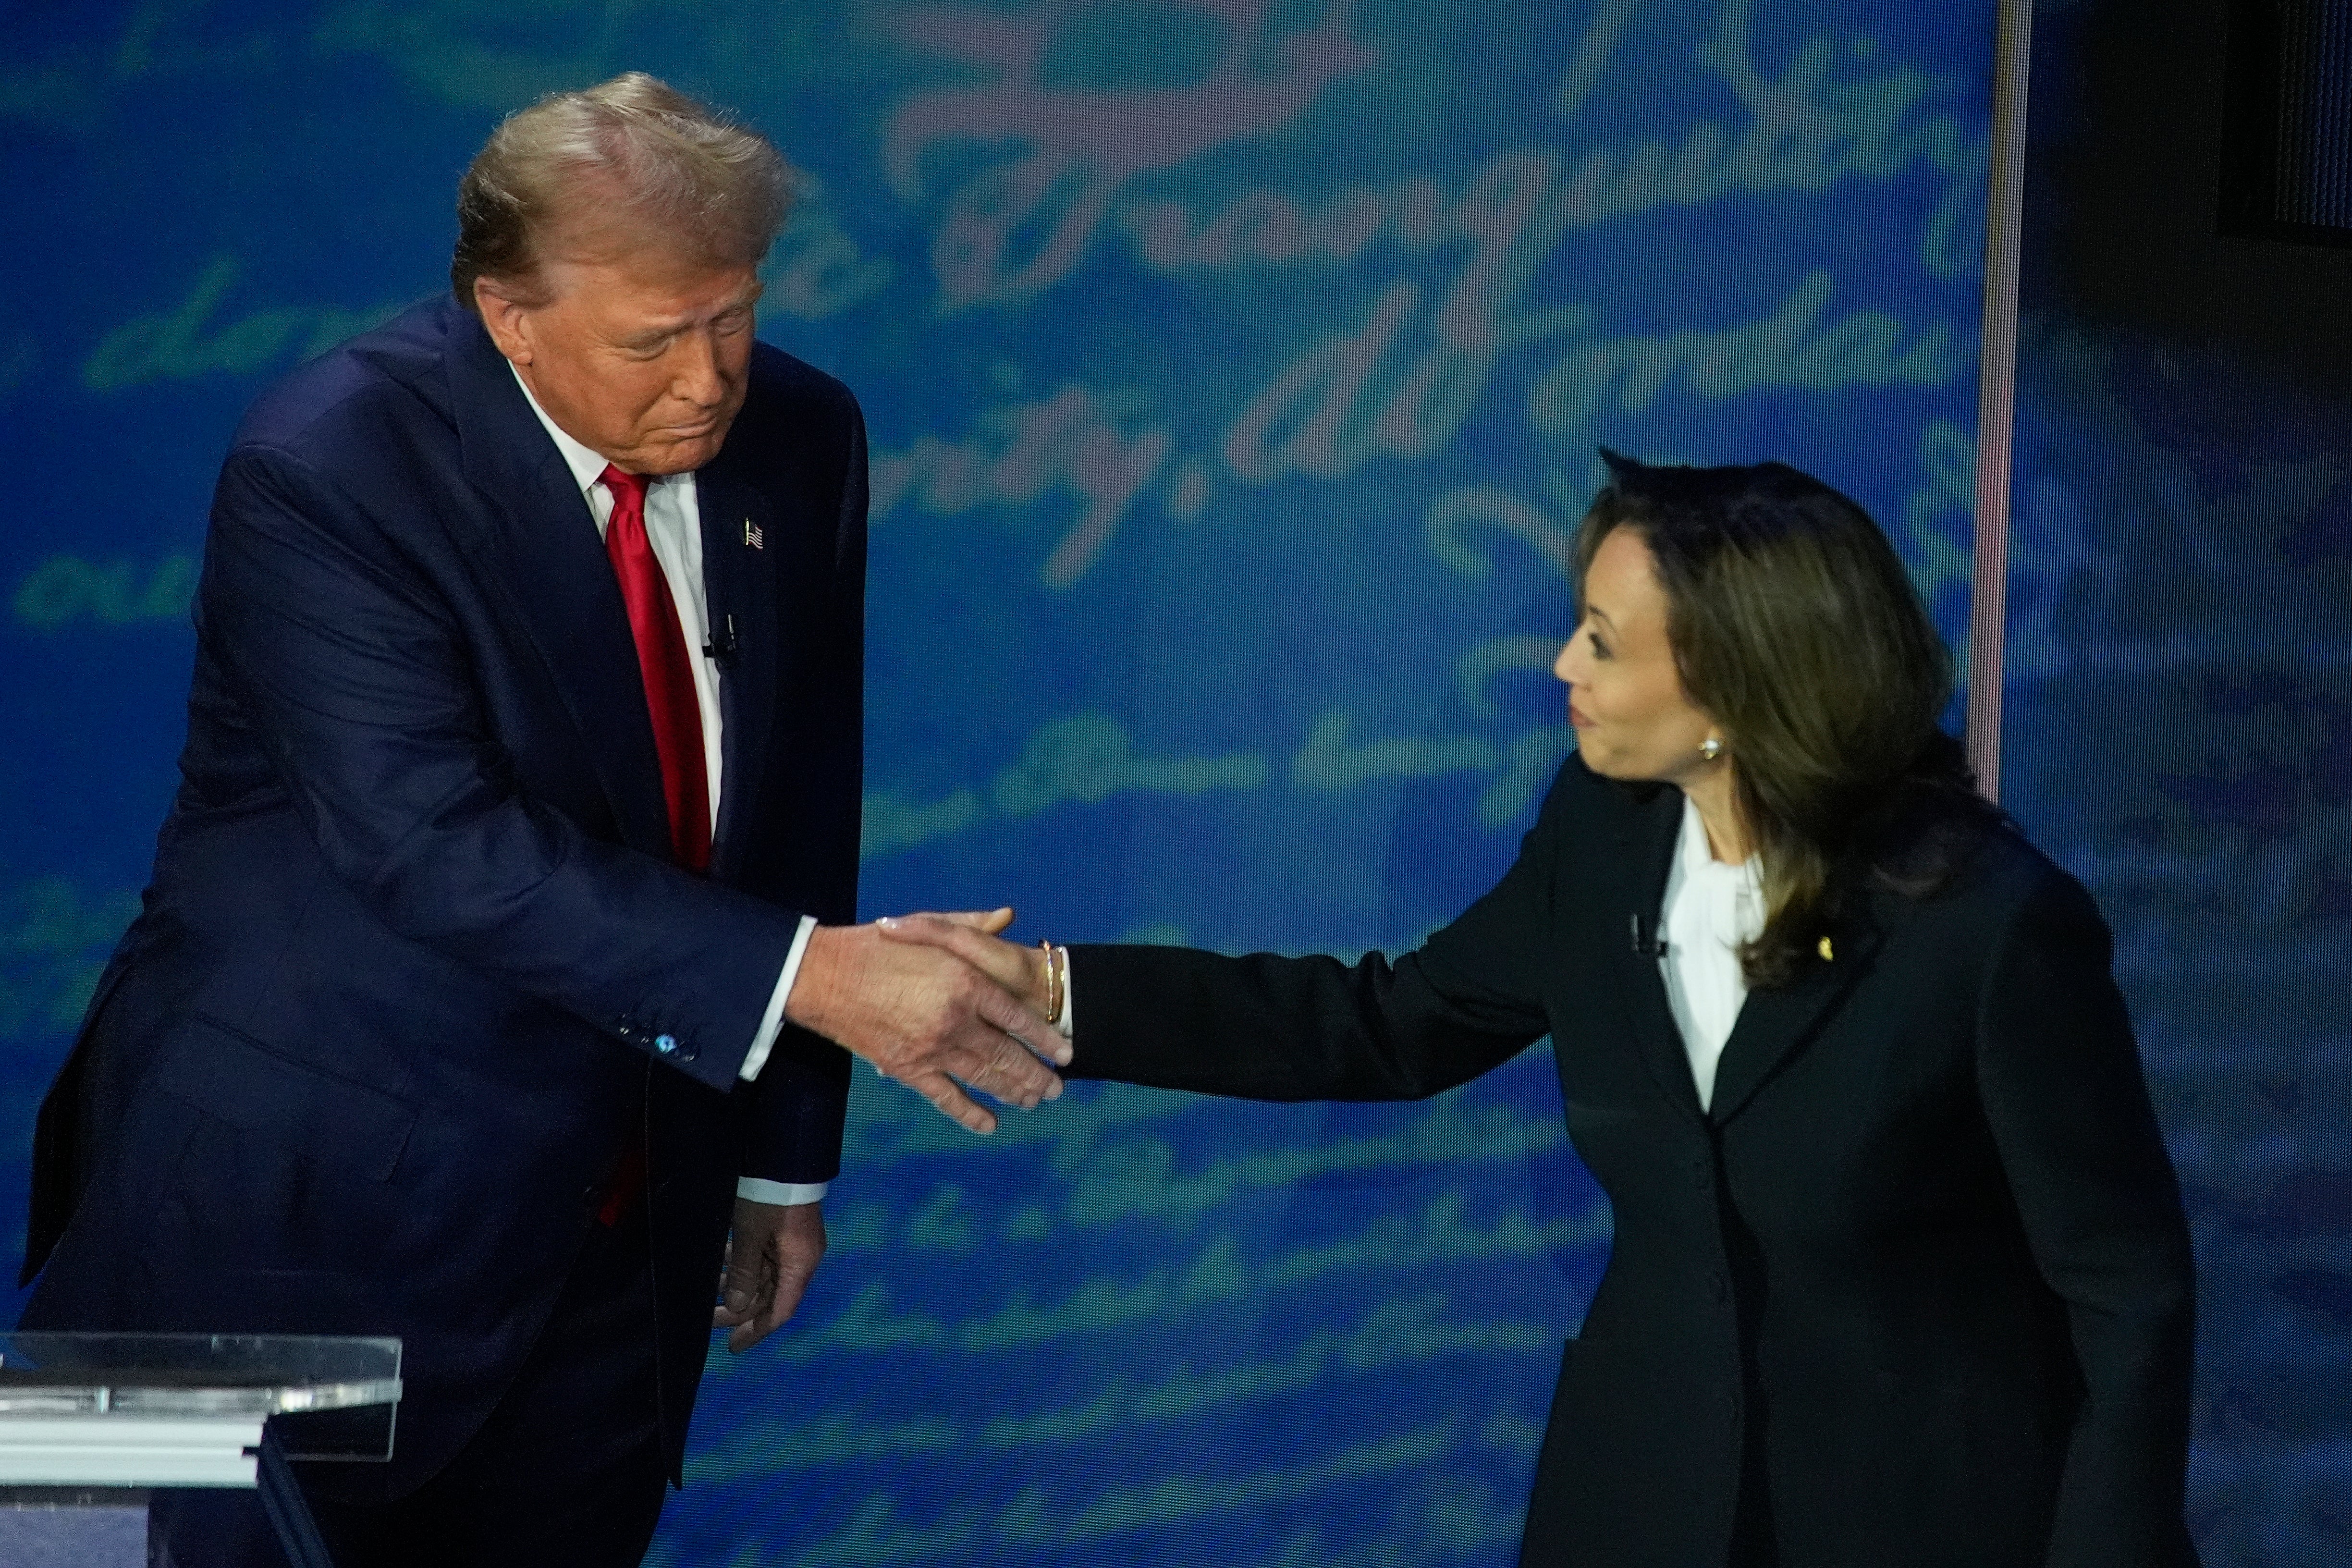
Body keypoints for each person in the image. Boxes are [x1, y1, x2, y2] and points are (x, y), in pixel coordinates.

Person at [16, 74, 1066, 1568]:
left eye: (735, 315)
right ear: (509, 316)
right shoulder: (327, 465)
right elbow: (433, 840)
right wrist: (820, 980)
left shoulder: (804, 436)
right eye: (654, 340)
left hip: (611, 1251)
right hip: (260, 1222)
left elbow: (792, 804)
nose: (710, 379)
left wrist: (776, 1166)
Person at [884, 455, 2200, 1568]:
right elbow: (1388, 1023)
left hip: (1920, 1515)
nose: (1564, 661)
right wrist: (1055, 988)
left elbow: (2127, 1290)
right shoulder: (1604, 833)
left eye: (1606, 643)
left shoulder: (1986, 925)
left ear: (1741, 692)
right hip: (1638, 1499)